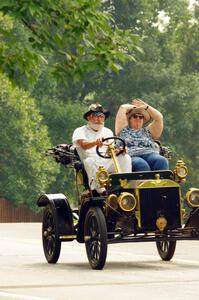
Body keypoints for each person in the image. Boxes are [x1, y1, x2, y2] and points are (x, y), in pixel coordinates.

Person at [72, 103, 132, 194]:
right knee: (89, 161)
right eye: (96, 116)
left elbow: (110, 150)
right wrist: (95, 143)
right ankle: (100, 190)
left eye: (101, 116)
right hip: (91, 164)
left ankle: (125, 186)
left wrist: (119, 151)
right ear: (89, 117)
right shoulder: (80, 131)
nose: (99, 119)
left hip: (106, 161)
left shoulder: (107, 131)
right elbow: (83, 144)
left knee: (125, 158)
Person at [115, 98, 169, 172]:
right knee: (141, 165)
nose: (138, 118)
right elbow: (123, 107)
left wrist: (147, 107)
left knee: (162, 161)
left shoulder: (148, 131)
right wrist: (134, 107)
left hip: (150, 154)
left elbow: (159, 118)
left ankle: (162, 183)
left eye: (141, 117)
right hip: (132, 155)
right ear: (129, 119)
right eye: (135, 116)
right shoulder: (123, 131)